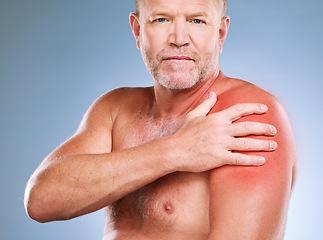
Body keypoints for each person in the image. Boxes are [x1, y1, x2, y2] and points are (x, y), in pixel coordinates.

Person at [24, 0, 297, 239]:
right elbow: (41, 201)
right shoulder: (115, 108)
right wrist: (176, 150)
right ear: (138, 30)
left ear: (221, 33)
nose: (179, 38)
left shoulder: (247, 114)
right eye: (161, 19)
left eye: (197, 20)